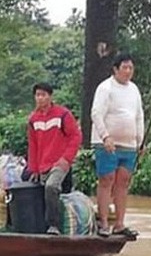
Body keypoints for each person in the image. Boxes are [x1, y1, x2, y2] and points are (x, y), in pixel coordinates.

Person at [91, 53, 144, 238]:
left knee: (123, 182)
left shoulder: (134, 90)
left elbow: (139, 116)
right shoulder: (105, 88)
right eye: (125, 67)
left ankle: (120, 223)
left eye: (131, 68)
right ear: (115, 69)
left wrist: (140, 141)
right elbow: (96, 113)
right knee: (106, 180)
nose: (128, 71)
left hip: (129, 145)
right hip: (107, 143)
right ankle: (104, 223)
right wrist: (105, 137)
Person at [26, 83, 82, 235]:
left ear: (50, 97)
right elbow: (33, 146)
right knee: (32, 189)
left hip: (59, 162)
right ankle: (38, 225)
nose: (40, 98)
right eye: (37, 95)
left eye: (43, 95)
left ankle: (54, 225)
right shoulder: (33, 120)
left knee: (51, 187)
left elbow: (76, 137)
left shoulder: (63, 115)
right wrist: (34, 169)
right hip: (43, 164)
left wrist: (67, 159)